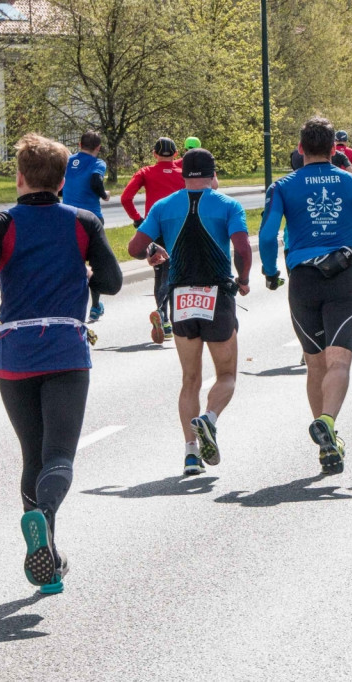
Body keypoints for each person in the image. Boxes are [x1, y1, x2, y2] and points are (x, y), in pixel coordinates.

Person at [0, 133, 123, 592]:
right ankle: (45, 520)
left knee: (31, 455)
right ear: (61, 180)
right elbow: (112, 282)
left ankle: (49, 565)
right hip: (66, 349)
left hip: (15, 355)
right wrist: (84, 271)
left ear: (19, 177)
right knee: (59, 455)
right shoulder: (83, 221)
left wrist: (2, 268)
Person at [258, 117, 352, 475]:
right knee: (339, 363)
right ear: (335, 149)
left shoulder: (283, 186)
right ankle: (328, 423)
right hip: (341, 278)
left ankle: (327, 445)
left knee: (315, 363)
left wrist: (272, 272)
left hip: (303, 278)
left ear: (300, 148)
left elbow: (267, 235)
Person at [127, 148, 251, 476]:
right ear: (213, 174)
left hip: (180, 297)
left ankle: (191, 454)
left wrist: (154, 249)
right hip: (217, 294)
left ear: (183, 175)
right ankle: (208, 419)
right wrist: (245, 279)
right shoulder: (228, 206)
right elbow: (241, 248)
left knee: (189, 379)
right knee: (226, 375)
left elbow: (135, 248)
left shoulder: (163, 206)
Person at [121, 137, 185, 344]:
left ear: (154, 154)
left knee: (160, 272)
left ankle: (163, 318)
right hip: (179, 229)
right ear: (175, 154)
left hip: (154, 230)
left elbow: (125, 198)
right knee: (178, 274)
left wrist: (138, 220)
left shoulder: (145, 172)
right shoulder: (181, 172)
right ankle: (178, 321)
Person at [62, 131, 110, 323]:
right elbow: (95, 181)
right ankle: (95, 306)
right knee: (95, 262)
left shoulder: (67, 161)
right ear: (98, 147)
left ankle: (69, 304)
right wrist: (104, 195)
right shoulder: (98, 163)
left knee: (73, 260)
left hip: (68, 216)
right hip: (91, 218)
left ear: (79, 143)